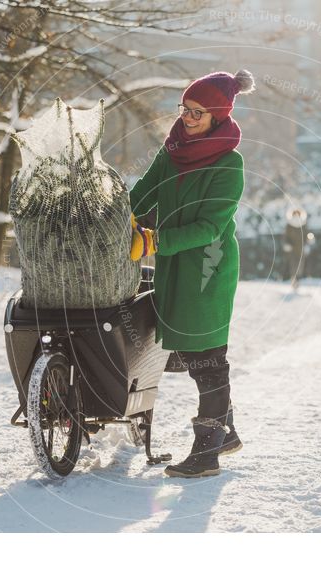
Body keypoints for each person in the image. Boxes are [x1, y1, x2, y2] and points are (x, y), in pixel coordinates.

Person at [128, 69, 255, 478]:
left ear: (217, 115)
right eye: (185, 108)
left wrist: (153, 242)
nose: (188, 117)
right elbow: (143, 195)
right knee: (186, 351)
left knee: (207, 358)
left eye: (198, 111)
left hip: (208, 267)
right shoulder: (172, 151)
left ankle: (207, 453)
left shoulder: (229, 162)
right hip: (173, 265)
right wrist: (116, 215)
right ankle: (227, 432)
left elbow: (211, 227)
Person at [283, 206, 308, 290]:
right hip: (292, 249)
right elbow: (286, 236)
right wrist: (286, 244)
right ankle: (294, 280)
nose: (296, 215)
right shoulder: (289, 225)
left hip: (301, 248)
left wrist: (309, 240)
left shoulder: (304, 224)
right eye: (295, 214)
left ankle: (297, 280)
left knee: (300, 265)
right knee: (293, 265)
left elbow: (306, 235)